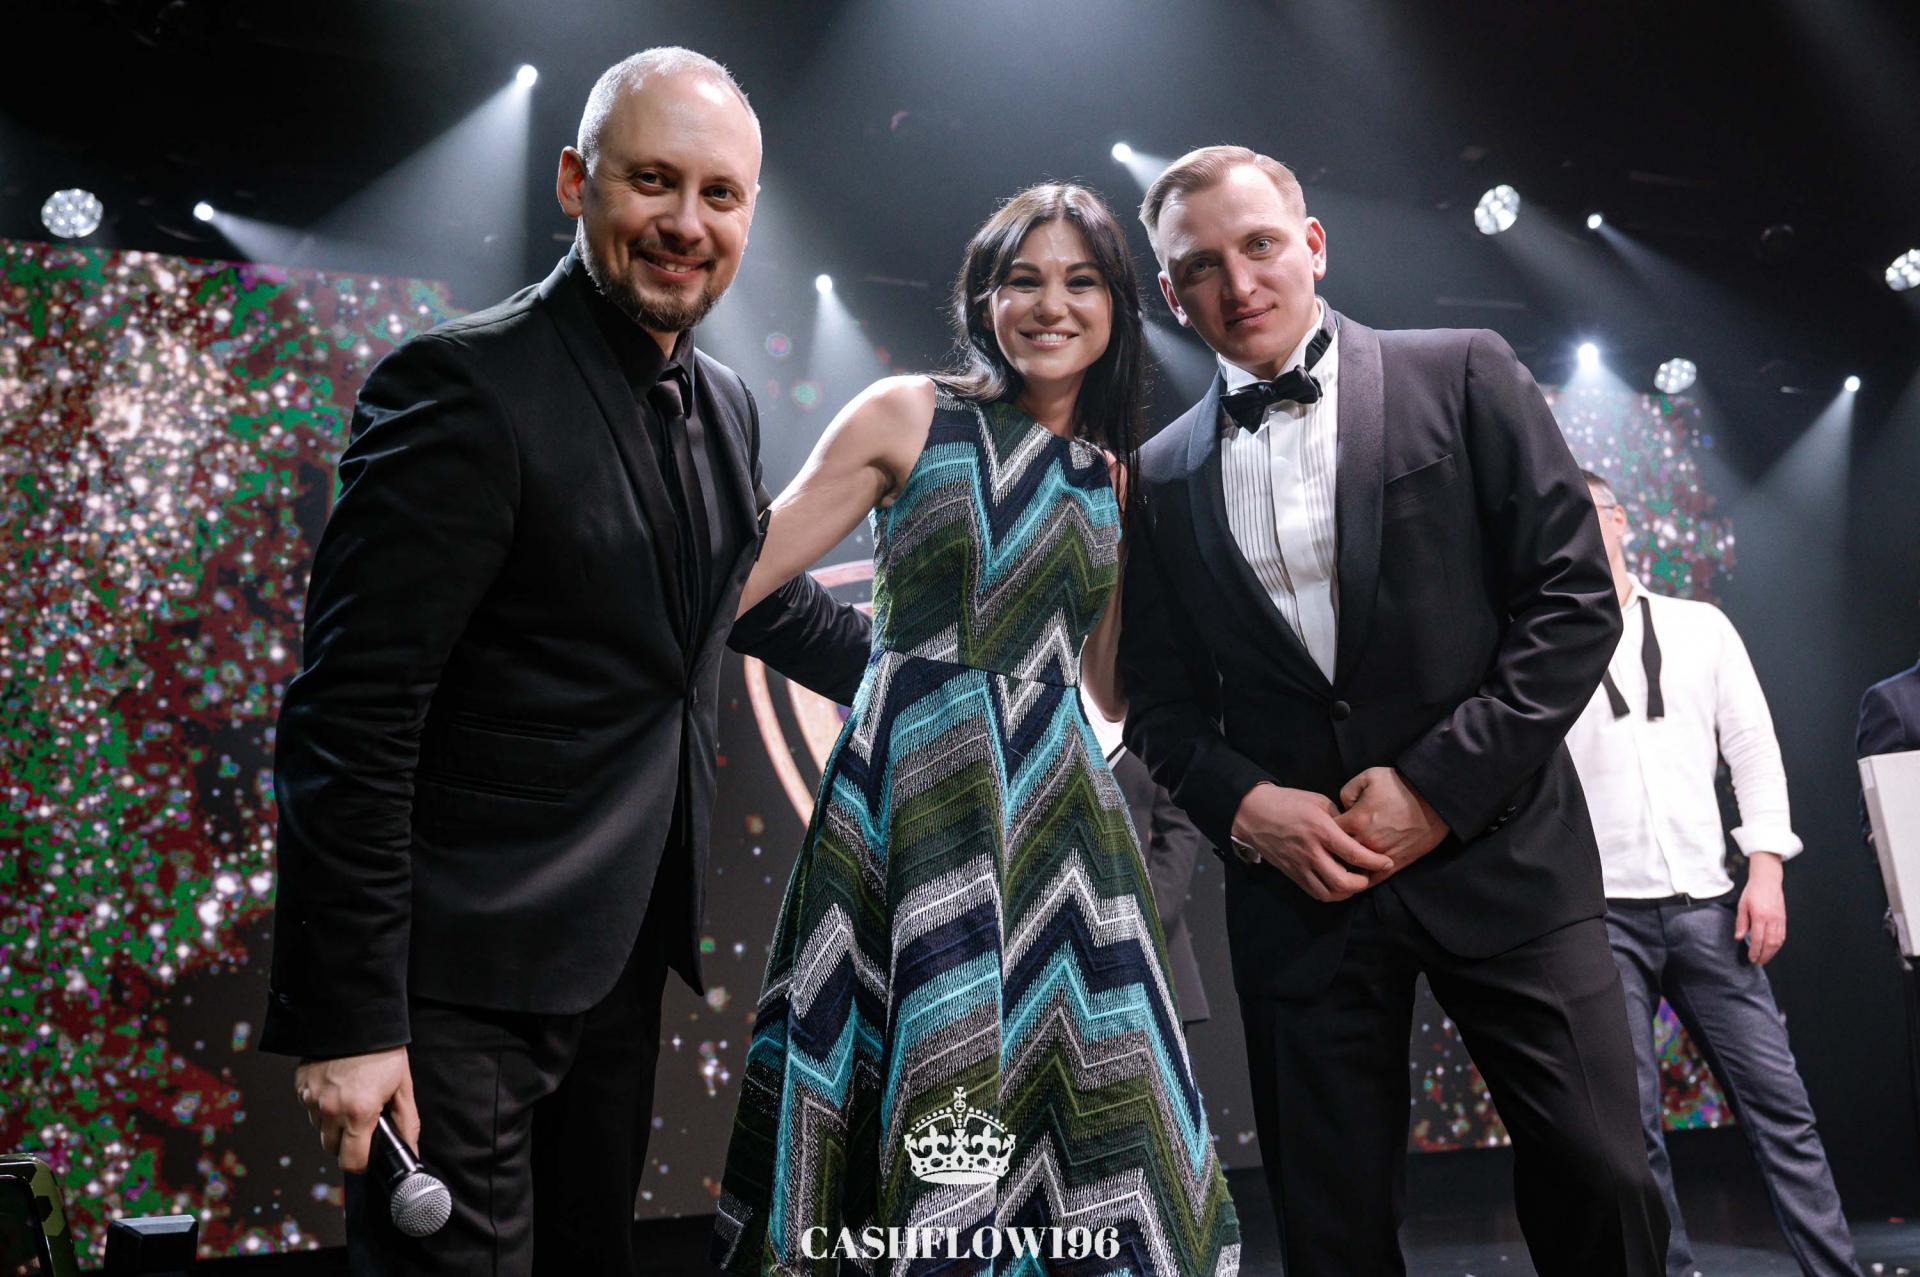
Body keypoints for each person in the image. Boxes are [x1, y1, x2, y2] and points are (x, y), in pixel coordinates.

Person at [261, 48, 869, 1275]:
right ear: (574, 181)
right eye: (654, 181)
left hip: (618, 964)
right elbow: (349, 720)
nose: (686, 223)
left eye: (719, 193)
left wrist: (949, 682)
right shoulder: (461, 387)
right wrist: (352, 1017)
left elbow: (743, 596)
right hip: (455, 991)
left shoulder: (724, 403)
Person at [1120, 144, 1665, 1275]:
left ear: (1313, 245)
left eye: (1260, 244)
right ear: (1171, 295)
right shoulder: (1159, 473)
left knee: (1606, 1177)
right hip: (1300, 892)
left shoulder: (1462, 371)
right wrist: (1247, 809)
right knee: (1332, 1233)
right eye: (1202, 266)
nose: (1239, 282)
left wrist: (1434, 788)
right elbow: (1160, 707)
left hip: (1506, 854)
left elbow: (1573, 601)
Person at [710, 183, 1239, 1275]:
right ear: (983, 300)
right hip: (913, 800)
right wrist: (898, 678)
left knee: (1112, 1108)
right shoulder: (908, 412)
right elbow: (739, 577)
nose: (1051, 305)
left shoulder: (1114, 477)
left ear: (1117, 305)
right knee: (923, 1066)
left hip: (1059, 818)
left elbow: (1109, 687)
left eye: (1081, 281)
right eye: (1022, 280)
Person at [1565, 471, 1859, 1277]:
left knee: (1781, 1107)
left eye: (1588, 511)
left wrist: (1766, 868)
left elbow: (1753, 749)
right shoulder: (1541, 644)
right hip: (1600, 917)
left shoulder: (1701, 627)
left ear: (1621, 520)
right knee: (1631, 1134)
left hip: (1708, 904)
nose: (1577, 528)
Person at [1085, 694, 1212, 1024]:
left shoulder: (1153, 712)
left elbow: (1180, 826)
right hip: (1059, 936)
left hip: (1149, 945)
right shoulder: (1044, 697)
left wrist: (1147, 915)